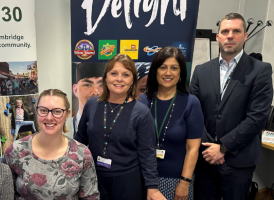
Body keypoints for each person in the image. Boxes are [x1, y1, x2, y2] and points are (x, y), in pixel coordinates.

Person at [189, 13, 273, 200]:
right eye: (225, 31)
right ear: (218, 37)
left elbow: (257, 117)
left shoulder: (260, 70)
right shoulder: (201, 71)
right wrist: (209, 149)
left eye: (236, 31)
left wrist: (223, 147)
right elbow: (193, 113)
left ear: (245, 36)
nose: (230, 35)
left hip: (238, 160)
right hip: (205, 158)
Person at [75, 54, 166, 200]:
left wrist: (152, 187)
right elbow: (79, 142)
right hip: (93, 177)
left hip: (128, 179)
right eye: (114, 73)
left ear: (132, 80)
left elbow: (147, 153)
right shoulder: (92, 105)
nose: (119, 79)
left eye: (126, 74)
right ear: (106, 77)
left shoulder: (141, 112)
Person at [2, 89, 99, 200]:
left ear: (67, 113)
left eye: (57, 111)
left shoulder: (82, 154)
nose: (49, 117)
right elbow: (5, 195)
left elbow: (90, 197)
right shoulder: (15, 150)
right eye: (43, 110)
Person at [139, 46, 203, 200]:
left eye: (174, 68)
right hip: (142, 178)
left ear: (180, 72)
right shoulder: (142, 102)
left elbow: (193, 148)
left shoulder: (191, 103)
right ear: (155, 71)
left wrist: (185, 183)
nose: (168, 73)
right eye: (163, 67)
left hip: (175, 180)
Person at [72, 62, 106, 137]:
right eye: (87, 85)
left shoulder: (120, 129)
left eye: (101, 85)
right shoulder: (63, 129)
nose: (95, 92)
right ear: (75, 90)